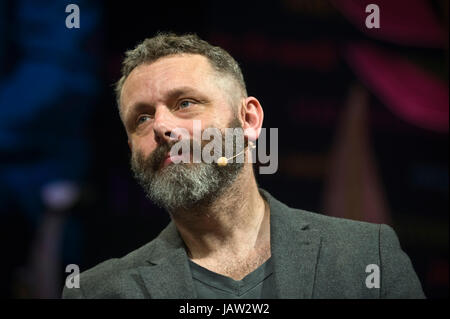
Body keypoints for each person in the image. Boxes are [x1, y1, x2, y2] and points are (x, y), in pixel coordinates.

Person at [62, 32, 425, 299]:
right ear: (130, 147)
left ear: (248, 119)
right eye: (141, 118)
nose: (161, 127)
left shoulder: (364, 257)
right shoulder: (98, 292)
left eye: (185, 103)